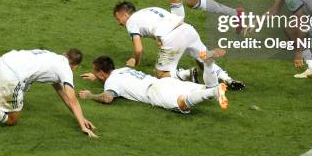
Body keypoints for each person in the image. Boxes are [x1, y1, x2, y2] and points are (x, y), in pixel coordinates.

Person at [0, 48, 98, 137]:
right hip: (13, 75)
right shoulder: (66, 70)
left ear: (64, 54)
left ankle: (9, 102)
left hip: (4, 60)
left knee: (26, 85)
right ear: (75, 66)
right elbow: (72, 99)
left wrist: (81, 118)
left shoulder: (52, 57)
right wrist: (82, 126)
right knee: (12, 119)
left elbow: (63, 94)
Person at [113, 1, 245, 90]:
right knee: (203, 59)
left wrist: (135, 61)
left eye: (118, 19)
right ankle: (228, 80)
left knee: (160, 74)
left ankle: (187, 74)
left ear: (125, 14)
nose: (119, 23)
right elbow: (158, 24)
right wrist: (158, 39)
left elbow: (138, 48)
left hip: (171, 38)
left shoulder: (131, 22)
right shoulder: (151, 9)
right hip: (187, 29)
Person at [79, 55, 228, 113]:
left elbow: (107, 98)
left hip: (155, 92)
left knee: (182, 104)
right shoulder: (122, 70)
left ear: (101, 73)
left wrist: (90, 95)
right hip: (165, 82)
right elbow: (110, 75)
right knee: (204, 87)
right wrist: (96, 76)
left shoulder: (111, 82)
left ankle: (213, 93)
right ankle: (209, 69)